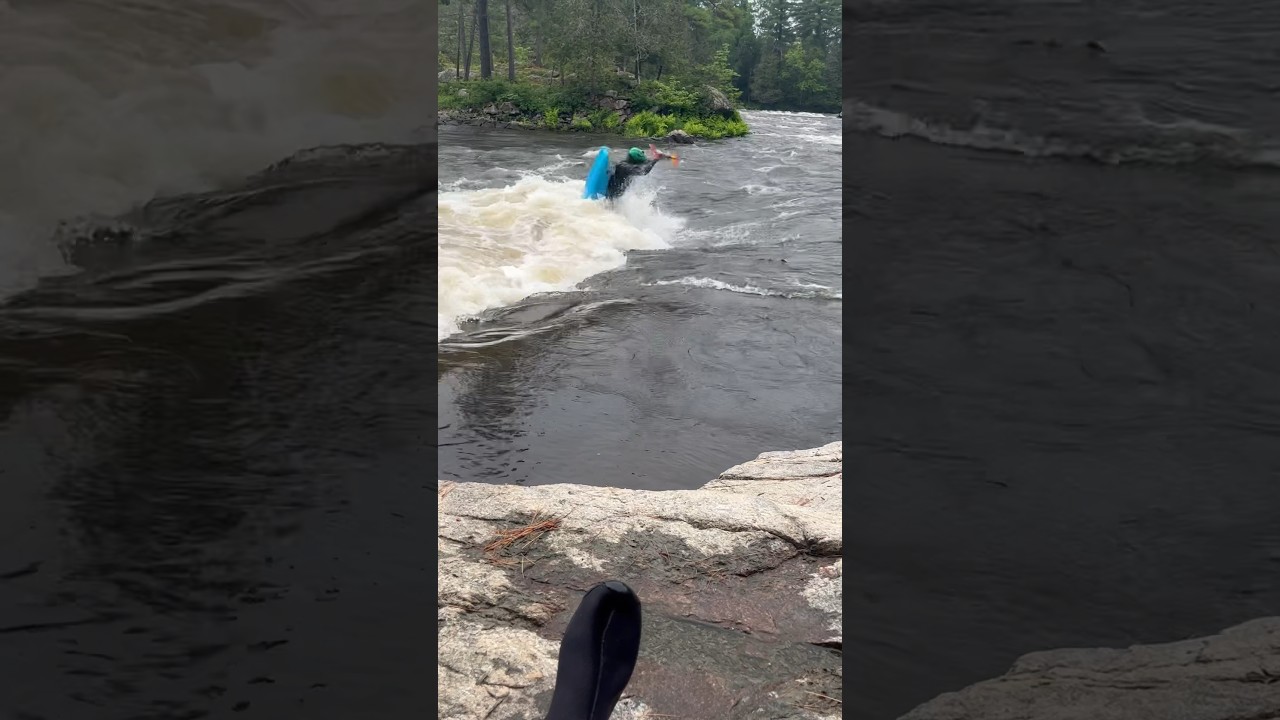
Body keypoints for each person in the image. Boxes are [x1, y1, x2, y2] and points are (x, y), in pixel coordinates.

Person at [605, 146, 669, 201]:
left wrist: (664, 157)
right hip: (611, 195)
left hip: (618, 194)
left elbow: (646, 162)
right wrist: (656, 159)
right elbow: (643, 171)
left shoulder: (629, 163)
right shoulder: (624, 167)